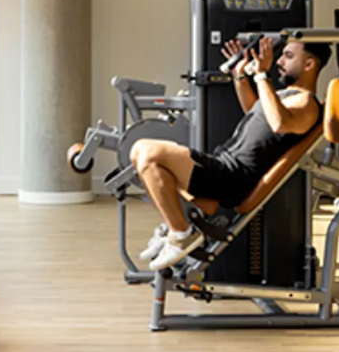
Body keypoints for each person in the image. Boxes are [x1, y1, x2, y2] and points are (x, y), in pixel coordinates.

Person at [130, 33, 327, 271]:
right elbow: (256, 113)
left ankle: (181, 233)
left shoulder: (307, 103)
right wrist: (240, 75)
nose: (279, 62)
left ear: (309, 64)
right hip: (223, 164)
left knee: (147, 151)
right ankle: (173, 228)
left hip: (233, 176)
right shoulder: (287, 97)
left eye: (287, 56)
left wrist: (262, 75)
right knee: (139, 156)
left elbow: (278, 123)